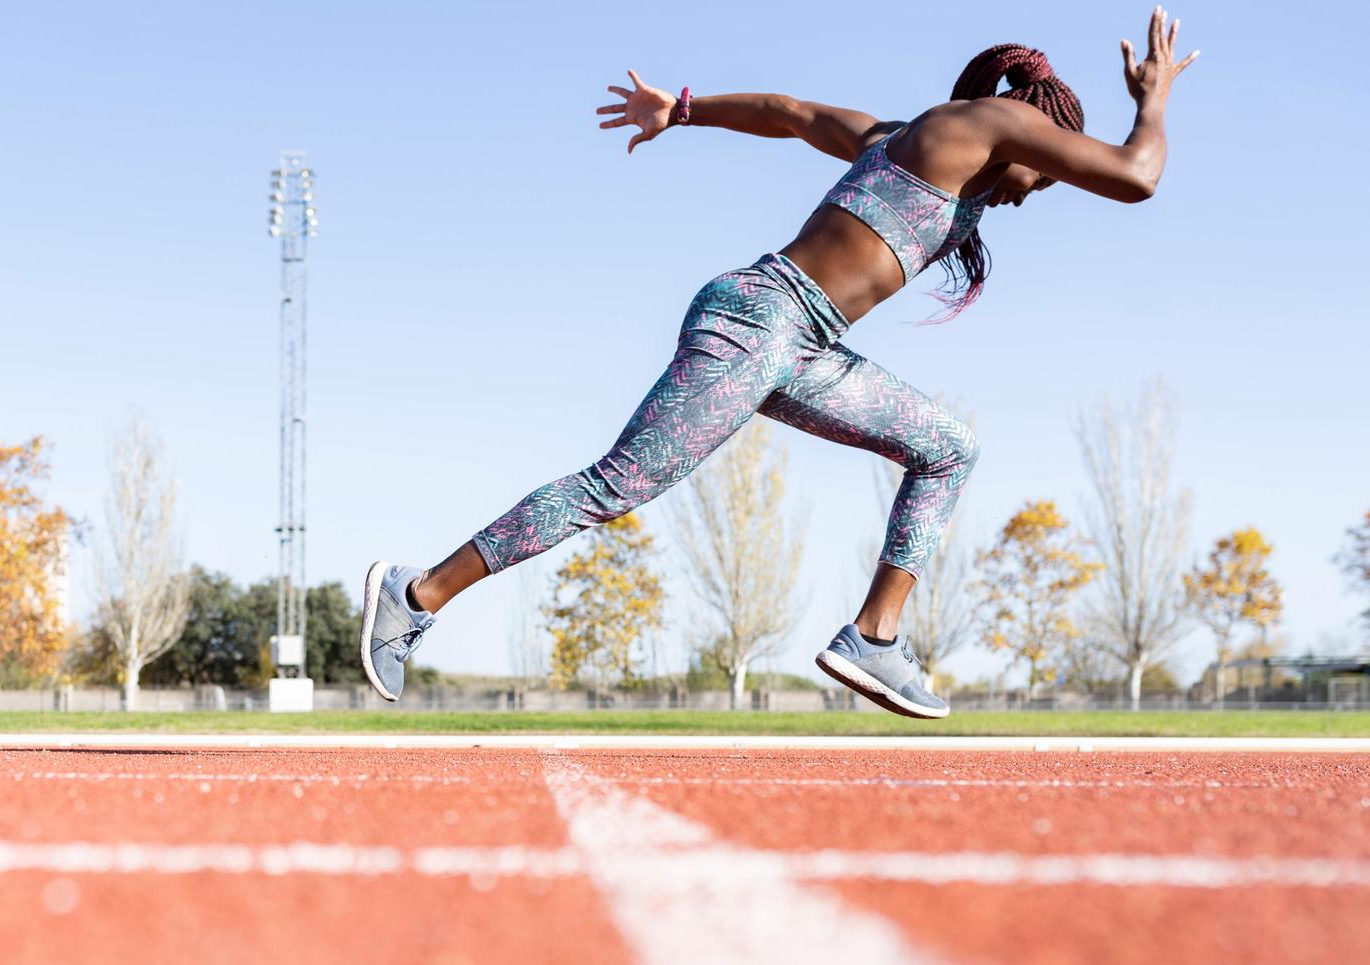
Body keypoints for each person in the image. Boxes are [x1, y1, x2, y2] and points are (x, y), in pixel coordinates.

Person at [361, 9, 1198, 718]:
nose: (1030, 194)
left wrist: (683, 109)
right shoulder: (990, 123)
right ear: (1033, 125)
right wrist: (1152, 102)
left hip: (803, 342)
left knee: (947, 447)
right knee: (618, 485)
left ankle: (874, 639)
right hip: (761, 318)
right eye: (1040, 178)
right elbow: (1137, 177)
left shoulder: (903, 137)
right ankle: (415, 593)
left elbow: (793, 114)